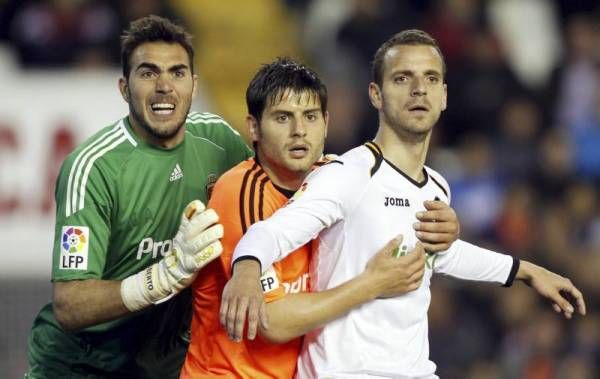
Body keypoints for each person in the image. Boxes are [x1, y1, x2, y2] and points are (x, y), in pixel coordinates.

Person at [222, 30, 587, 378]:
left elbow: (439, 254)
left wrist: (526, 271)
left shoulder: (438, 186)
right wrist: (246, 270)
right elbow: (271, 233)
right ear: (376, 94)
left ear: (443, 96)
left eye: (430, 79)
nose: (418, 90)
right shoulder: (350, 173)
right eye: (402, 78)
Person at [181, 57, 461, 378]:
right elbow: (273, 322)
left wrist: (447, 230)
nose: (299, 131)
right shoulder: (240, 192)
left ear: (326, 124)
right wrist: (371, 283)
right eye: (283, 118)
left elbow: (396, 218)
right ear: (254, 128)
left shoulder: (333, 177)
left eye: (310, 117)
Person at [26, 15, 252, 379]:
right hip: (82, 364)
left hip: (163, 360)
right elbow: (70, 304)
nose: (165, 86)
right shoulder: (92, 168)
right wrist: (161, 278)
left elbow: (266, 200)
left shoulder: (220, 143)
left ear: (194, 85)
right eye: (148, 73)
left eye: (177, 73)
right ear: (124, 88)